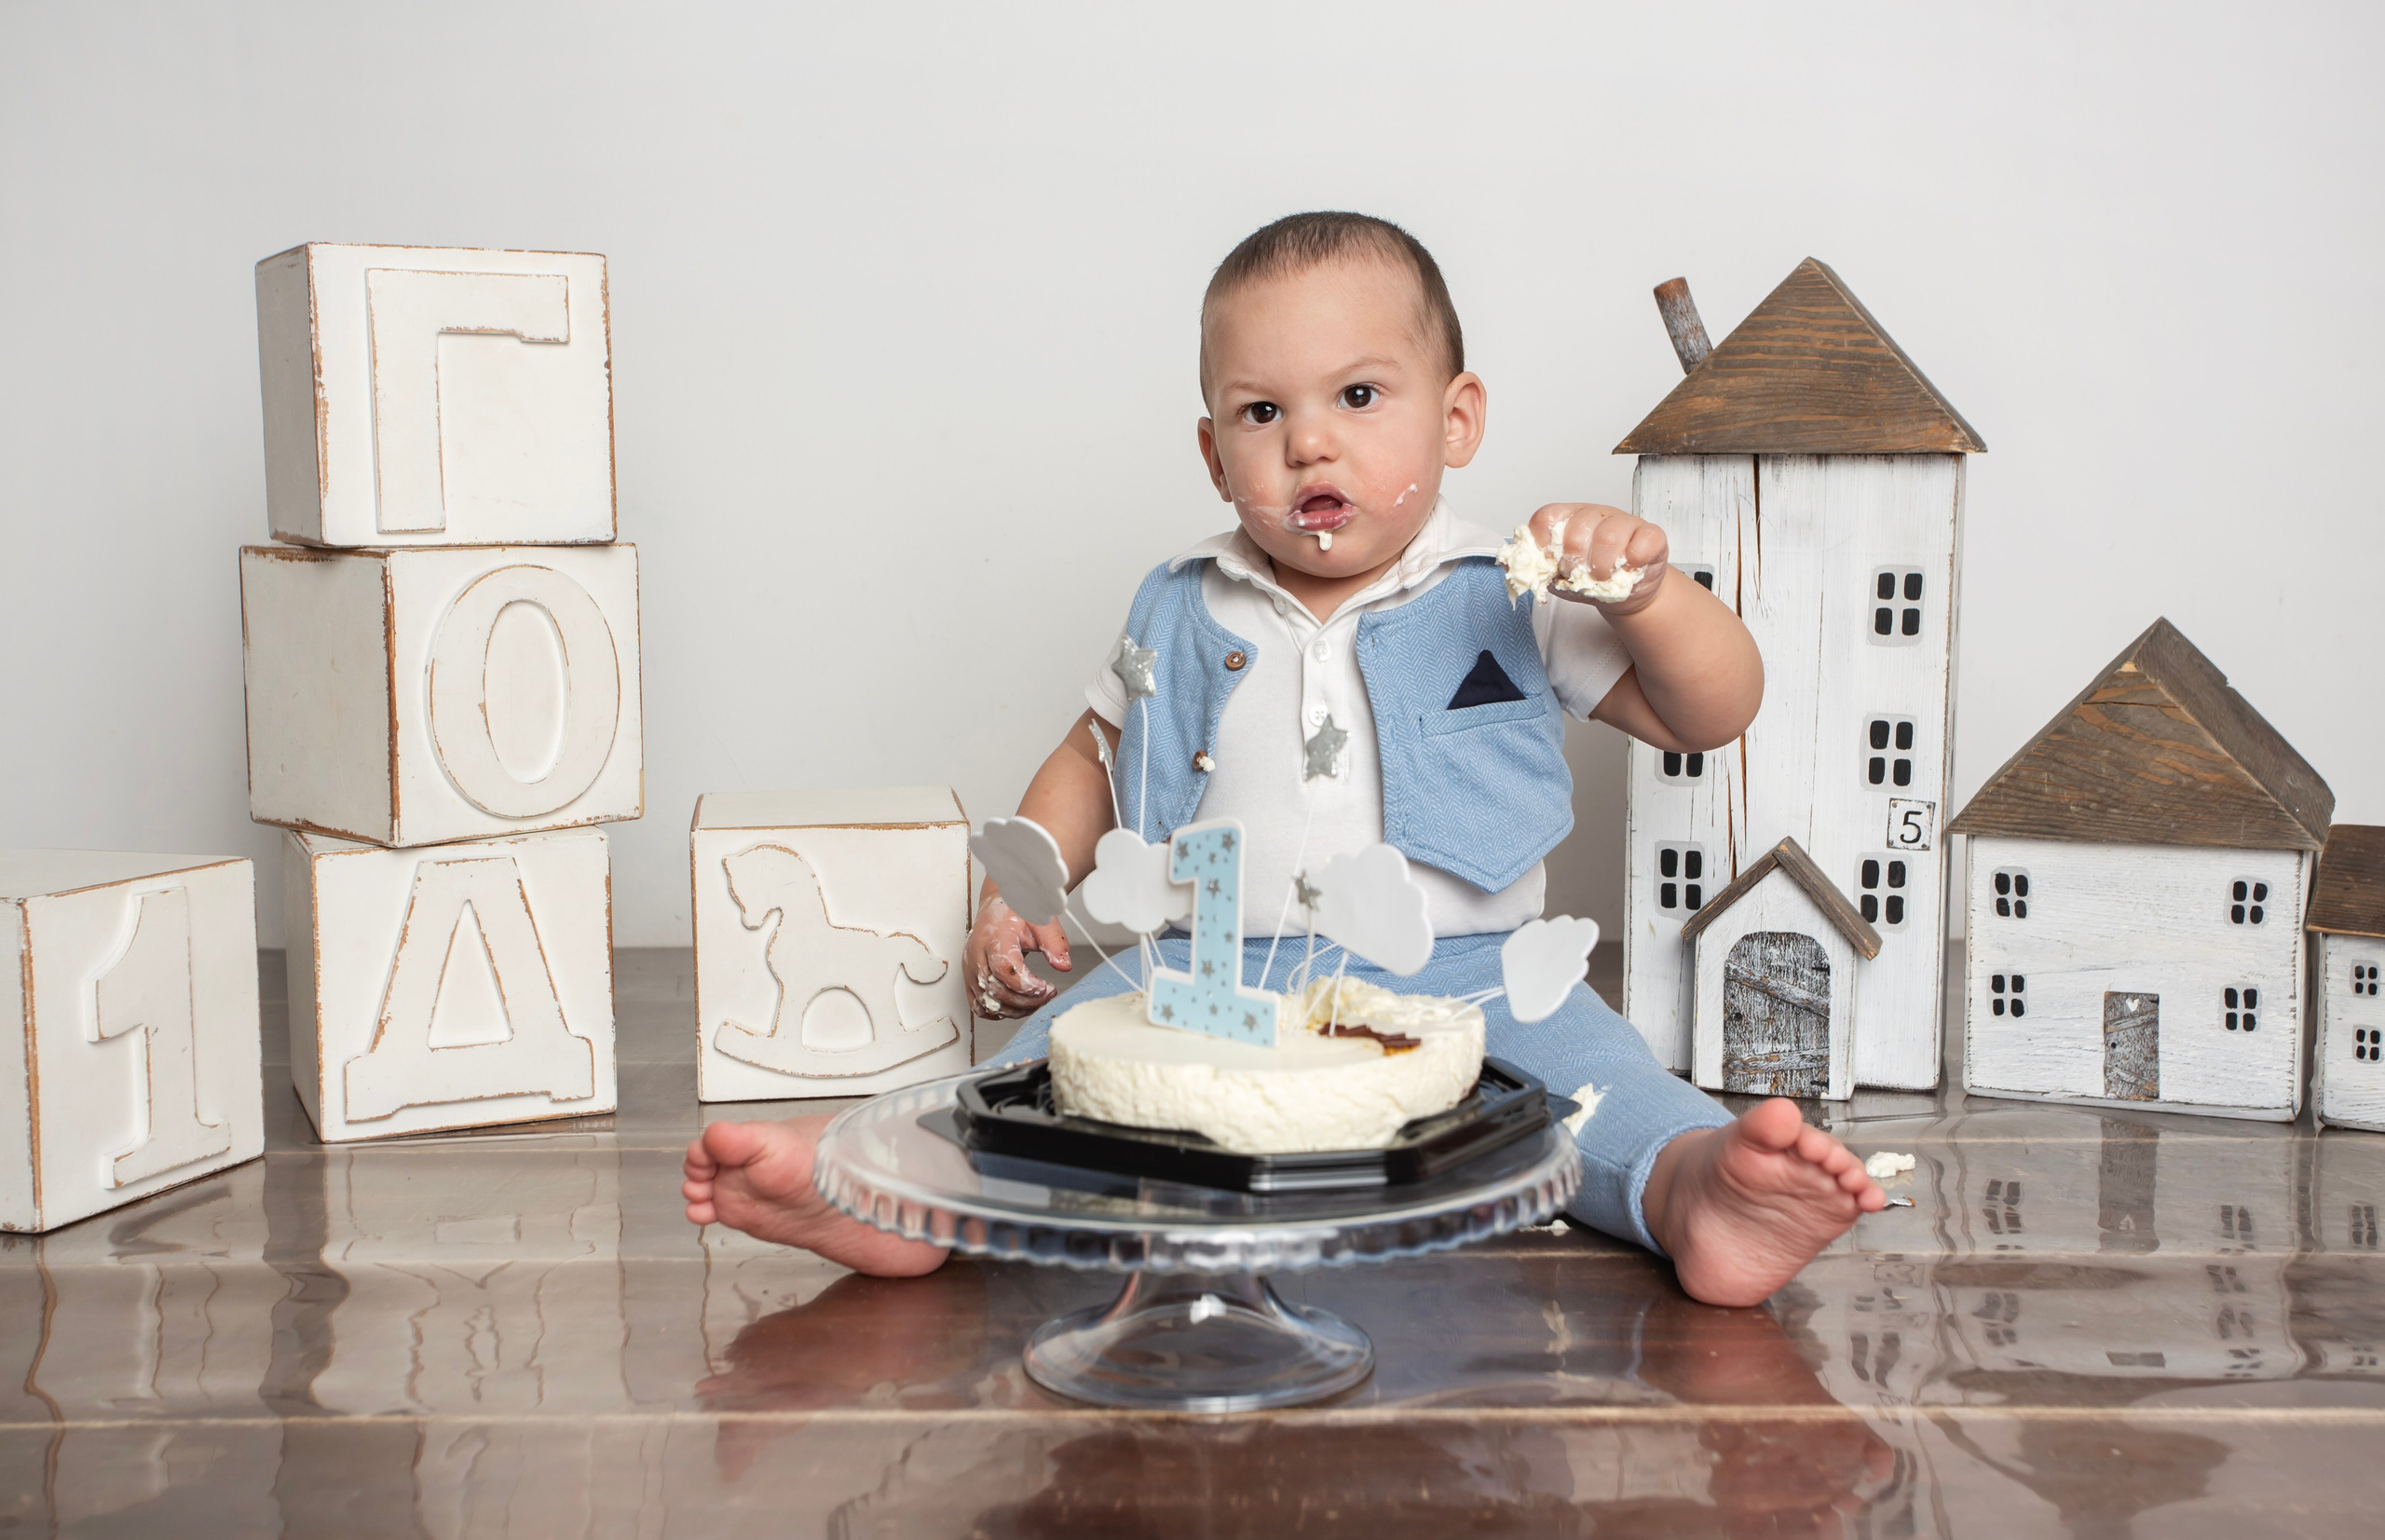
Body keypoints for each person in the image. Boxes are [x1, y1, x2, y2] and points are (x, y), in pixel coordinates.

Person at [685, 211, 1888, 1307]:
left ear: (1456, 417)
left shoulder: (1514, 586)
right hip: (1211, 973)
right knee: (1044, 1071)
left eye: (1360, 396)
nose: (1310, 442)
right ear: (1215, 456)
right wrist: (1018, 884)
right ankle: (899, 1190)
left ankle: (1696, 1196)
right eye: (1264, 414)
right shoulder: (1183, 601)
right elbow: (1093, 754)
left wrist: (1648, 595)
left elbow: (1714, 710)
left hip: (1471, 972)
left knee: (1596, 1082)